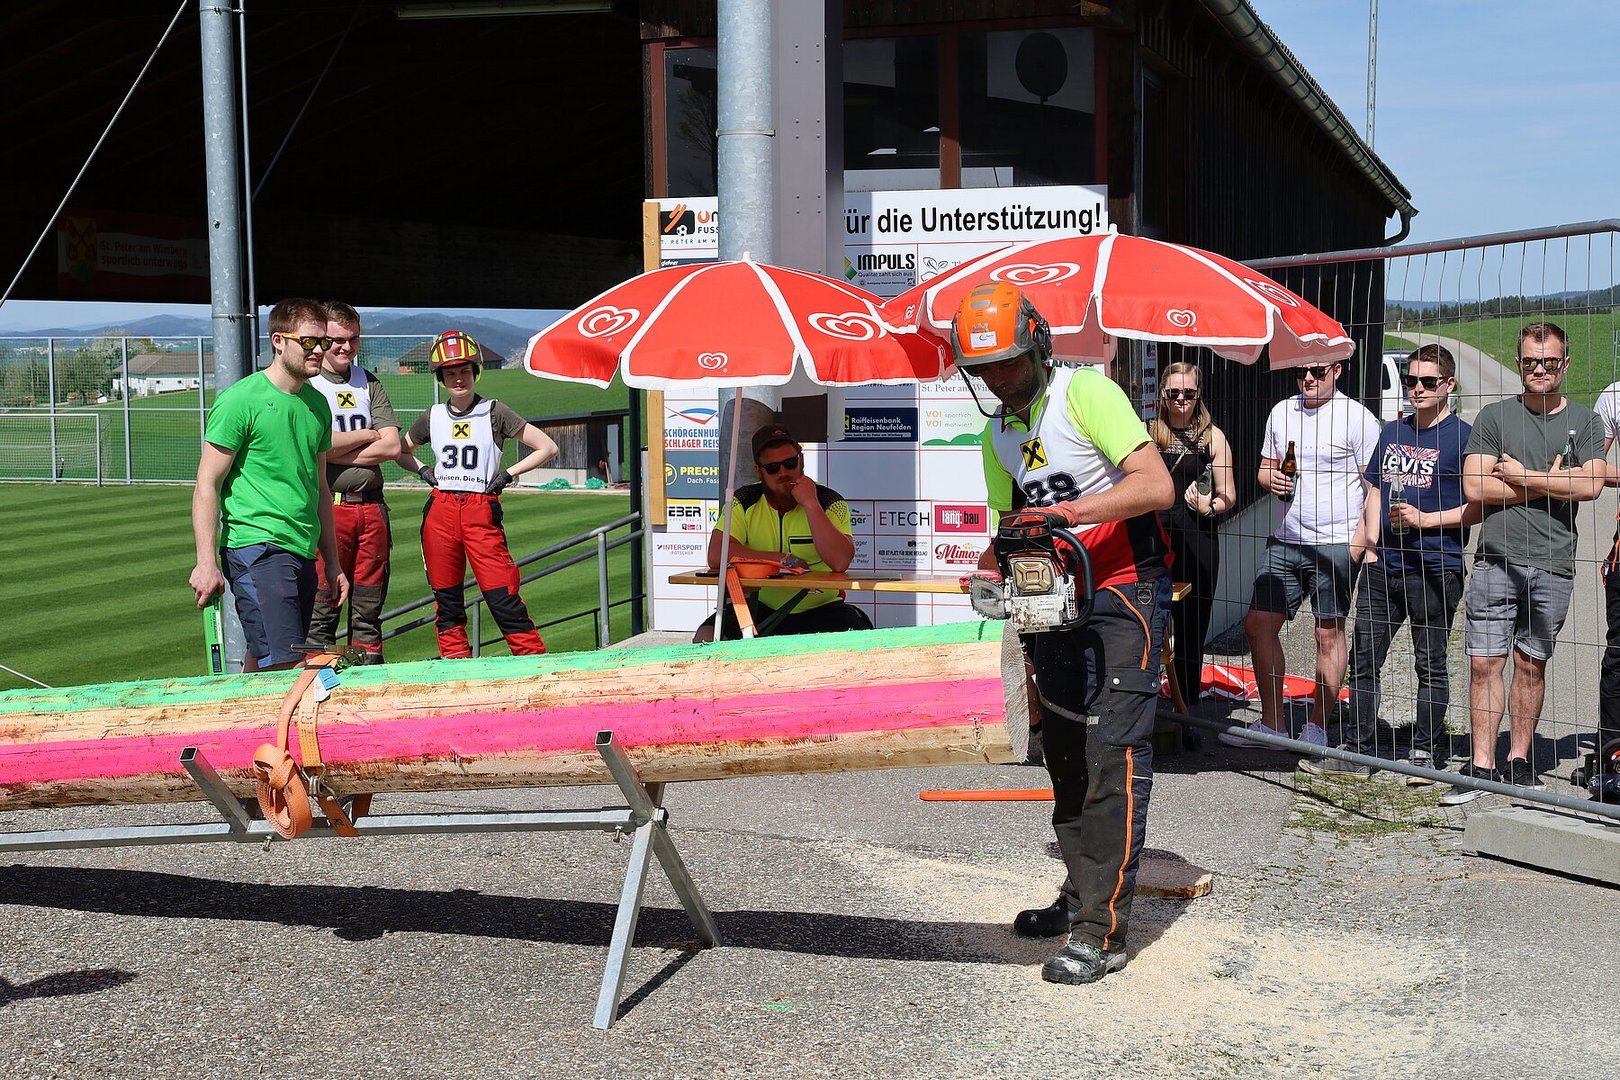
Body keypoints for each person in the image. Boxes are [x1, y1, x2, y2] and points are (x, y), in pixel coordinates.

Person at [953, 282, 1174, 986]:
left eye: (1008, 363)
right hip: (1054, 599)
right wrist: (988, 567)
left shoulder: (1086, 394)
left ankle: (1101, 933)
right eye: (984, 369)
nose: (998, 378)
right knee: (1068, 755)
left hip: (1124, 589)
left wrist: (1071, 514)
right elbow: (1010, 525)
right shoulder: (997, 434)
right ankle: (1081, 897)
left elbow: (1156, 486)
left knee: (1114, 754)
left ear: (1039, 348)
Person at [1444, 322, 1606, 804]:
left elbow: (1591, 486)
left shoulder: (1586, 422)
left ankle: (1518, 759)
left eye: (1549, 362)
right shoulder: (1494, 417)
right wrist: (1552, 481)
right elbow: (1475, 487)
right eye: (1531, 361)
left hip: (1554, 563)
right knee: (1483, 663)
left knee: (1530, 664)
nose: (1540, 369)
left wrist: (1519, 475)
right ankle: (1481, 764)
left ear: (1565, 364)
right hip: (1497, 558)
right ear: (1519, 363)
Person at [1301, 345, 1478, 781]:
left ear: (1448, 385)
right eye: (1411, 380)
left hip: (1435, 566)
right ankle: (1358, 752)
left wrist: (1425, 520)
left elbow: (1477, 508)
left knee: (1430, 663)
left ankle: (1424, 753)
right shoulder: (1393, 431)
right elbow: (1376, 492)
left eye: (1428, 382)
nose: (1417, 389)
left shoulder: (1464, 437)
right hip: (1385, 566)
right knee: (1364, 660)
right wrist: (1367, 547)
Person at [189, 298, 350, 671]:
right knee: (287, 664)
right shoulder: (240, 400)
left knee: (263, 659)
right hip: (257, 549)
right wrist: (205, 562)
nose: (319, 350)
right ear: (278, 341)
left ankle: (238, 712)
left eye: (324, 342)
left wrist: (333, 562)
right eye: (309, 341)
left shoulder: (317, 405)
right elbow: (206, 484)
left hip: (302, 550)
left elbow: (319, 488)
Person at [1227, 359, 1380, 750]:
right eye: (1301, 371)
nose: (1309, 378)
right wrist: (1272, 479)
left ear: (1338, 370)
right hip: (1286, 540)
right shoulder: (1282, 411)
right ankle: (1273, 726)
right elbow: (1265, 469)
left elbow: (1374, 485)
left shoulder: (1356, 417)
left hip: (1335, 543)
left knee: (1327, 634)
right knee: (1258, 624)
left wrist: (1360, 545)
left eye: (1318, 371)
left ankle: (1317, 726)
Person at [395, 330, 560, 659]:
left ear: (475, 372)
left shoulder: (495, 411)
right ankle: (457, 668)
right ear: (441, 378)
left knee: (503, 595)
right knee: (447, 600)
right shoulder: (433, 416)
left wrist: (507, 475)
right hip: (440, 510)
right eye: (451, 373)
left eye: (465, 371)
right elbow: (398, 450)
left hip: (480, 508)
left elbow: (547, 446)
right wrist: (424, 471)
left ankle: (534, 664)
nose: (459, 379)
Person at [692, 423, 872, 642]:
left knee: (860, 640)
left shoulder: (829, 501)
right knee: (706, 636)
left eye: (790, 463)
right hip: (761, 607)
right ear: (759, 471)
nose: (783, 473)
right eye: (773, 468)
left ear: (801, 460)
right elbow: (716, 555)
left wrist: (811, 504)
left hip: (821, 607)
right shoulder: (744, 500)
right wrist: (779, 560)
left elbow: (840, 561)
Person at [304, 301, 401, 664]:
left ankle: (368, 683)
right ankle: (319, 685)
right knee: (323, 608)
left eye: (353, 339)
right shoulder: (309, 383)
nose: (346, 347)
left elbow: (391, 446)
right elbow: (314, 446)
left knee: (369, 610)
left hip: (372, 507)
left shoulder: (367, 381)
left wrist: (332, 450)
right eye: (337, 340)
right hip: (330, 507)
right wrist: (365, 434)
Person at [1150, 362, 1235, 710]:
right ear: (1163, 394)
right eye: (1173, 393)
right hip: (1155, 542)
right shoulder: (1149, 434)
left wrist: (1209, 506)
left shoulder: (1213, 437)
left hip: (1198, 540)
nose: (1181, 399)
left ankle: (1187, 707)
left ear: (1199, 394)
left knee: (1191, 627)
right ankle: (1148, 702)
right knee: (1150, 622)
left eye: (1188, 392)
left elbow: (1229, 495)